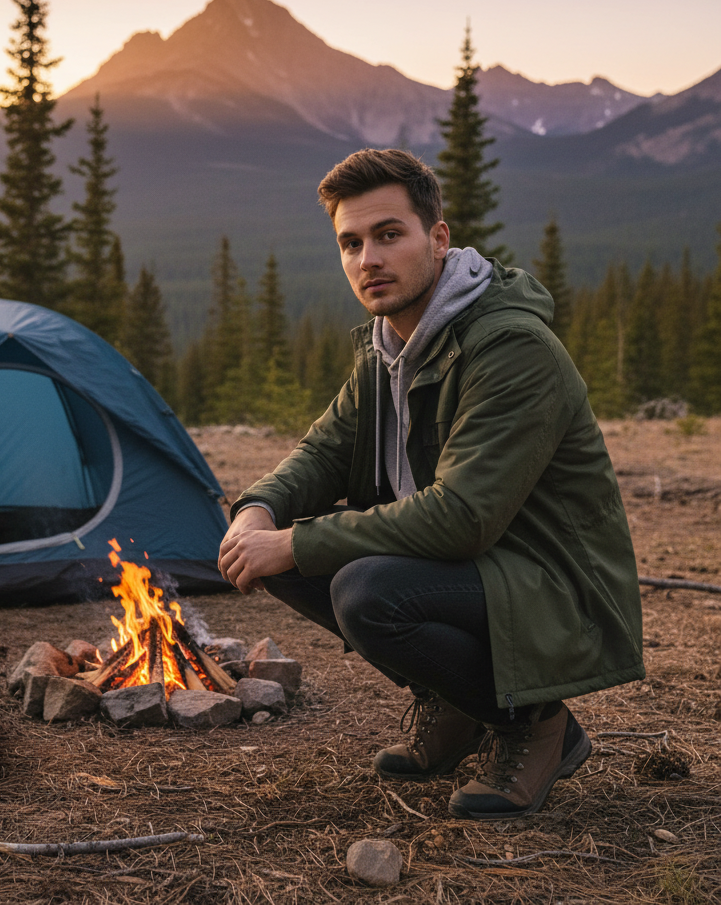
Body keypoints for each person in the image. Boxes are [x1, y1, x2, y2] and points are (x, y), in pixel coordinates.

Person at [218, 148, 644, 820]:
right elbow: (324, 451)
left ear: (438, 239)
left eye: (389, 235)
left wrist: (295, 542)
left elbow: (462, 517)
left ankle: (536, 724)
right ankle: (453, 703)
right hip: (481, 566)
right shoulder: (389, 347)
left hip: (552, 581)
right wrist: (258, 511)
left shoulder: (509, 346)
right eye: (351, 243)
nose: (369, 259)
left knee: (364, 589)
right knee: (280, 552)